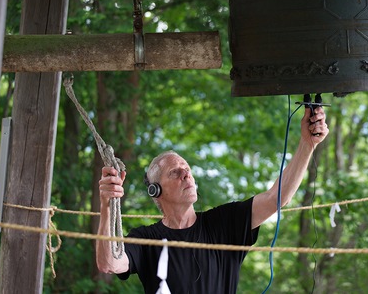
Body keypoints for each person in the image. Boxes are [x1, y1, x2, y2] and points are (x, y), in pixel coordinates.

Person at [96, 105, 329, 293]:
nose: (187, 175)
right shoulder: (146, 239)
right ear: (156, 191)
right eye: (175, 172)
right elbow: (109, 263)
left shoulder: (223, 223)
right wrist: (106, 204)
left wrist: (307, 144)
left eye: (188, 169)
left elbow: (276, 197)